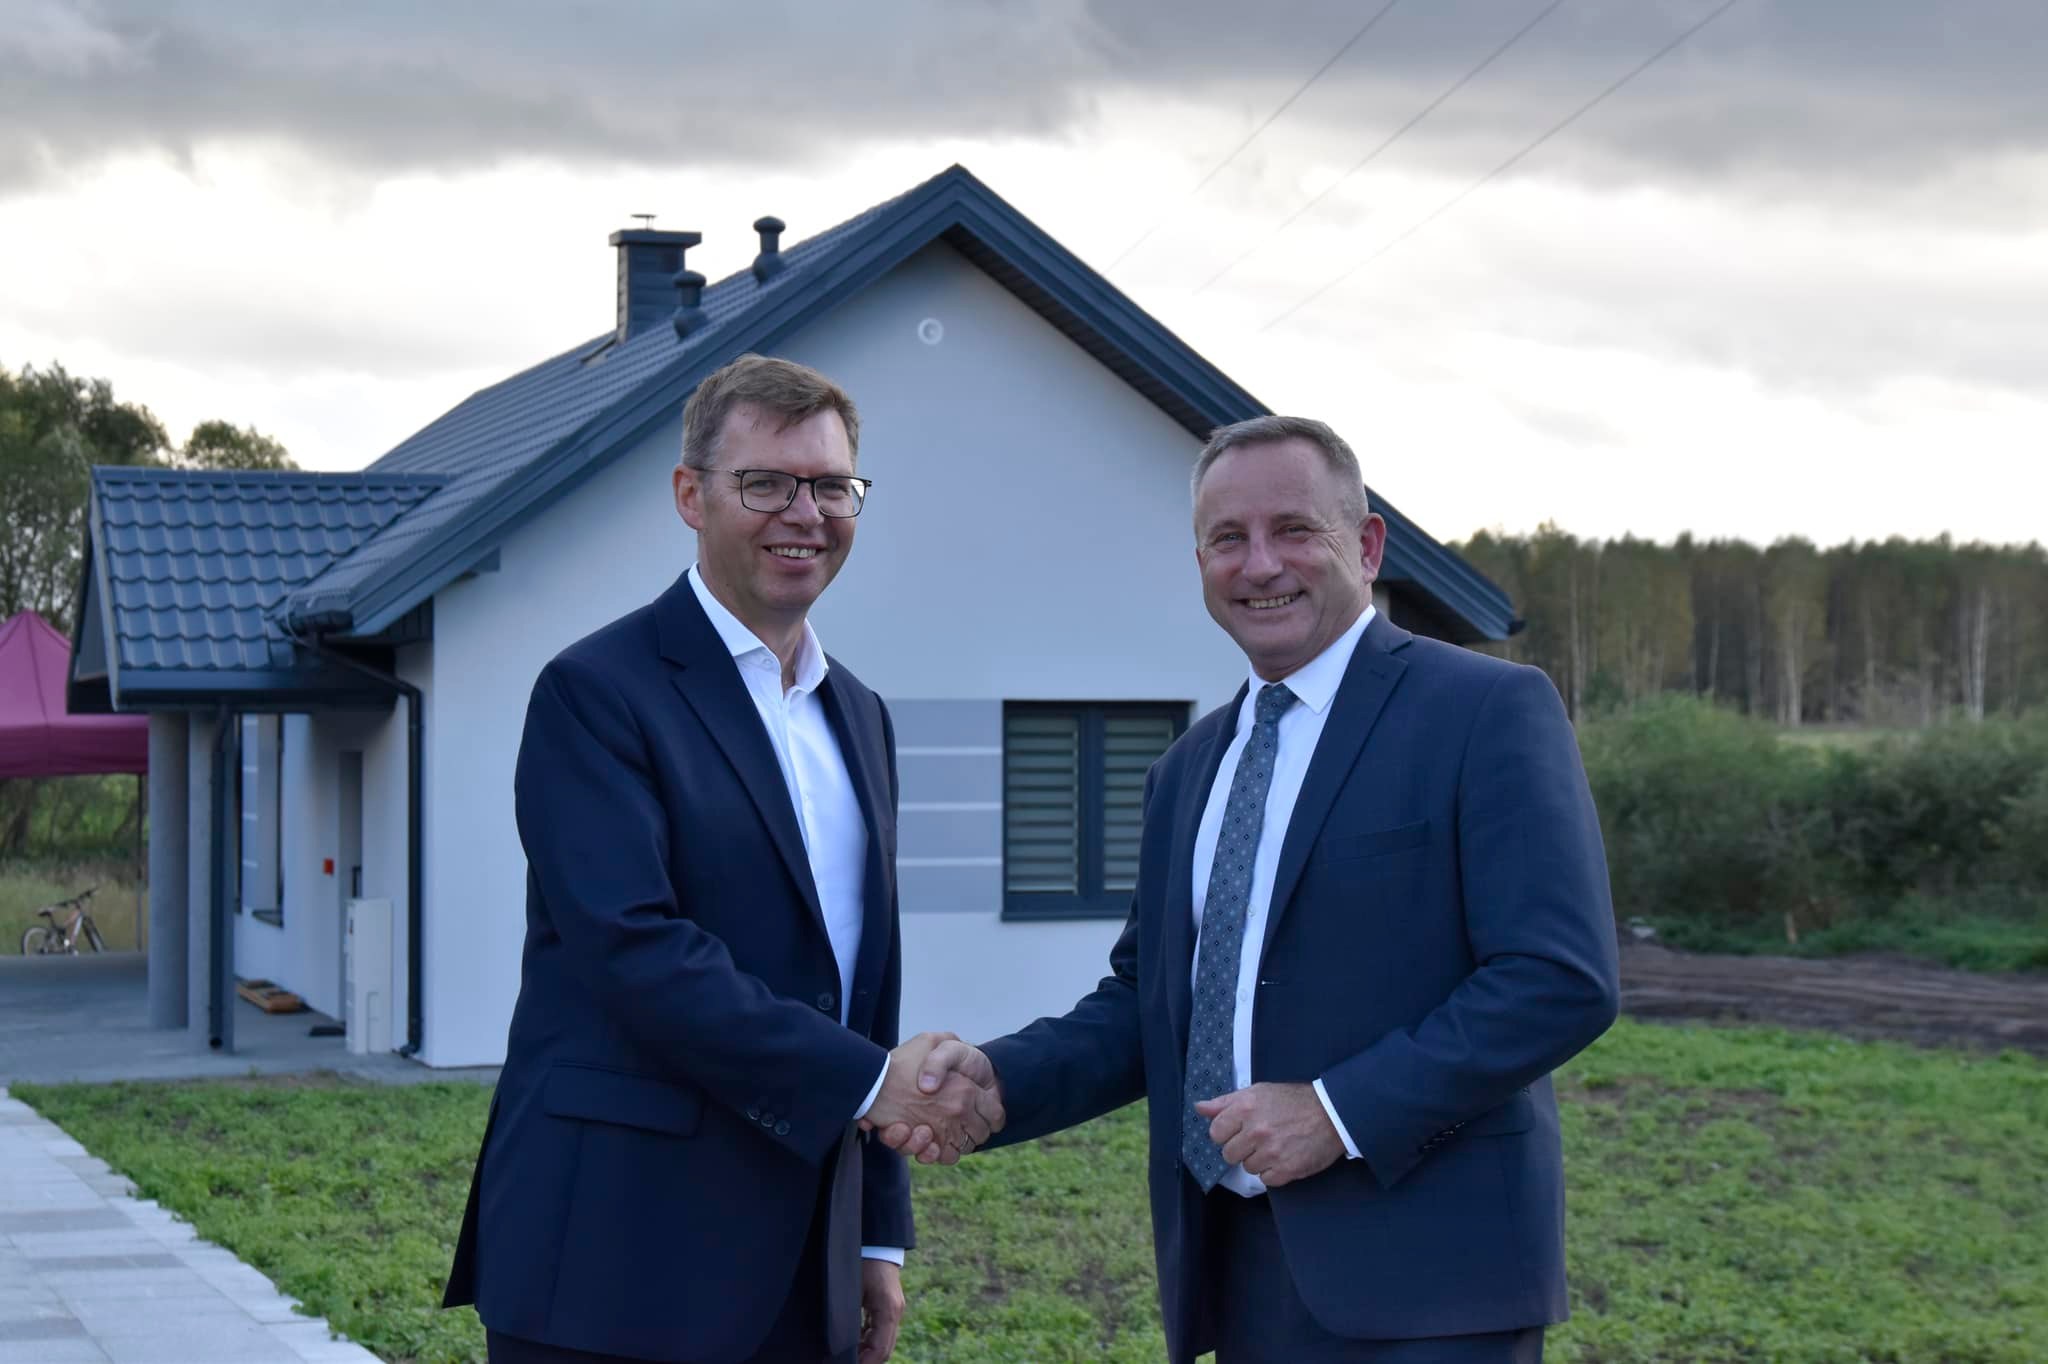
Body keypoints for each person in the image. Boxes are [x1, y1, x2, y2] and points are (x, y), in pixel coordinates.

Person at [889, 416, 1620, 1363]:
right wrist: (1000, 1081)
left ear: (1366, 546)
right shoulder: (1188, 770)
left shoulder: (1484, 711)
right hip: (1238, 1275)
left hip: (1432, 1287)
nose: (1260, 564)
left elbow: (1558, 978)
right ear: (1201, 563)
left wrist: (1336, 1113)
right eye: (1227, 539)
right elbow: (1149, 1006)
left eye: (1294, 530)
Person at [445, 354, 1001, 1364]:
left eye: (830, 486)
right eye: (766, 483)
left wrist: (874, 1231)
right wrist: (871, 1082)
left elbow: (862, 983)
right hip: (616, 1259)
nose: (805, 513)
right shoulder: (594, 692)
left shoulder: (861, 715)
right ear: (690, 496)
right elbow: (635, 950)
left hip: (802, 1262)